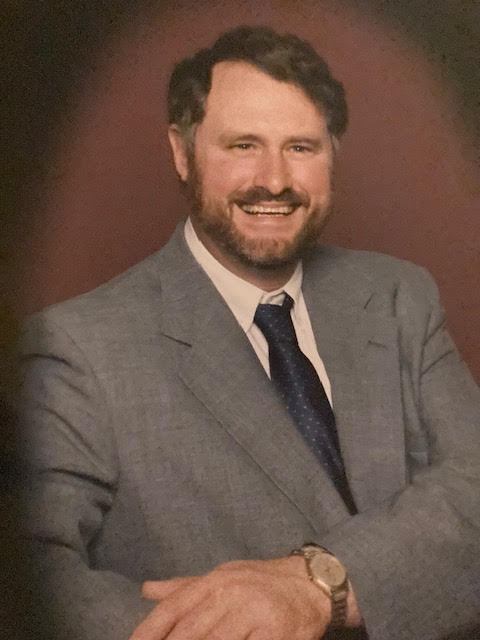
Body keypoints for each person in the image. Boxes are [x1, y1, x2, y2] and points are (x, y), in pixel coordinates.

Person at [20, 26, 480, 640]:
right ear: (182, 153)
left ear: (334, 154)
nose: (274, 180)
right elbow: (34, 576)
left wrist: (317, 587)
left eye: (301, 147)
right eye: (243, 145)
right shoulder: (75, 350)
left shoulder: (400, 297)